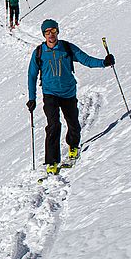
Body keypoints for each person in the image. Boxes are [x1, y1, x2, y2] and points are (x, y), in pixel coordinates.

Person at [25, 19, 115, 175]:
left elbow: (85, 59)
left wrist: (104, 63)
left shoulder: (67, 48)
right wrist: (32, 98)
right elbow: (32, 75)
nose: (51, 35)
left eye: (53, 31)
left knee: (72, 121)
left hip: (68, 92)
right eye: (47, 32)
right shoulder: (39, 53)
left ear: (57, 32)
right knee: (53, 125)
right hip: (50, 94)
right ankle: (52, 161)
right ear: (44, 35)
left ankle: (73, 145)